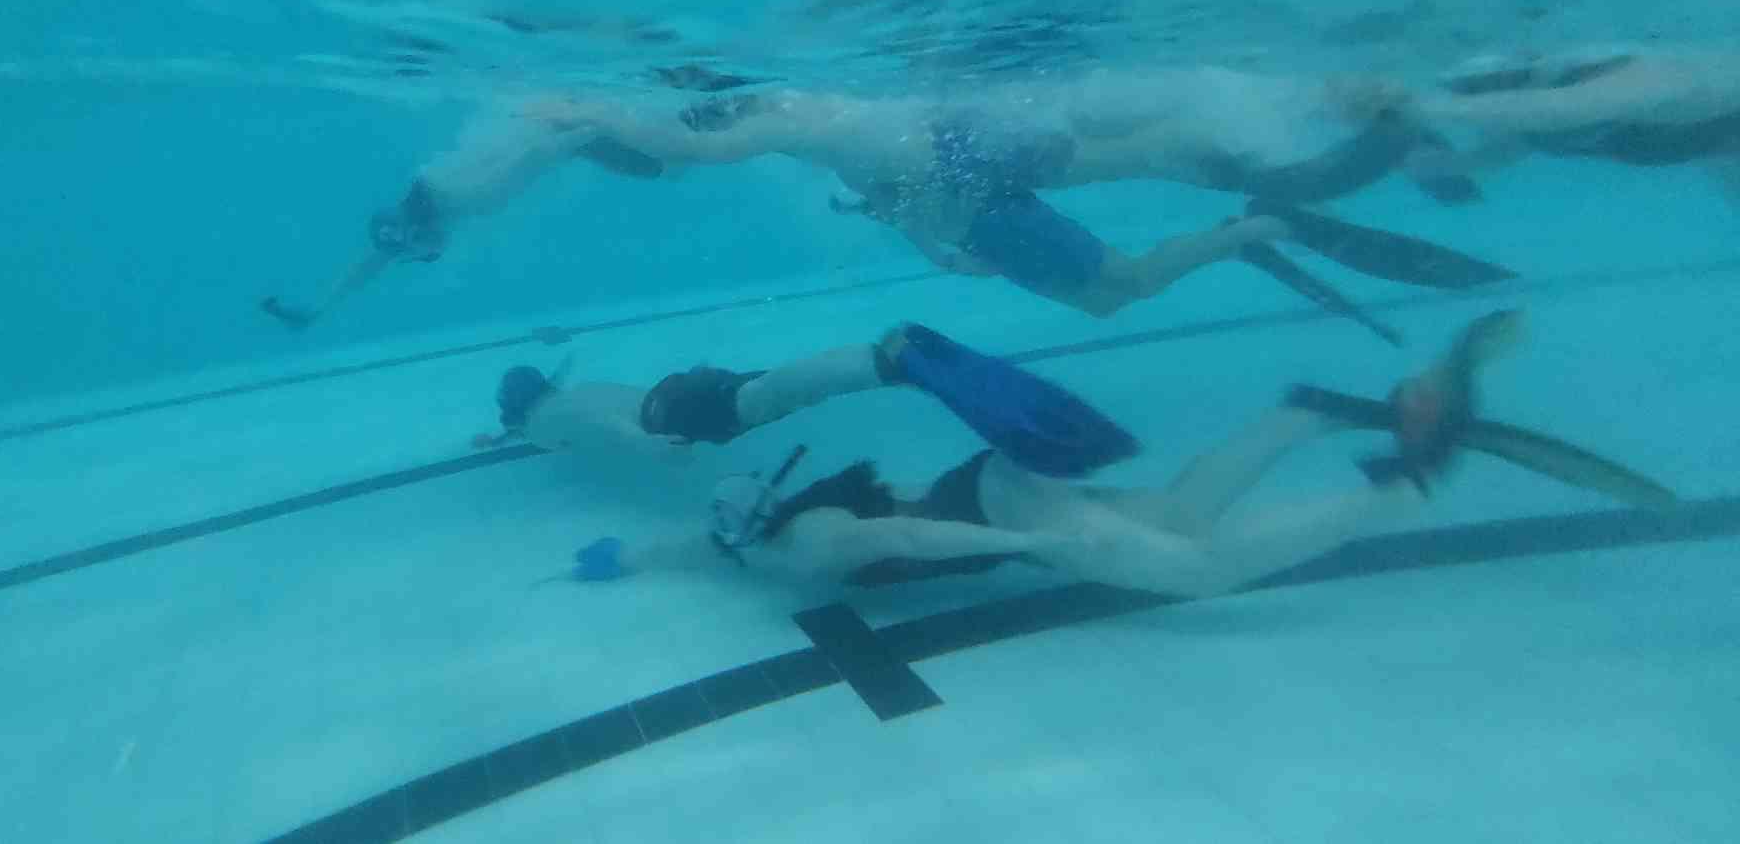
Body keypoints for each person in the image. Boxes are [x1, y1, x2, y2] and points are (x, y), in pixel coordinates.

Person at [559, 310, 1675, 596]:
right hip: (1003, 488)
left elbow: (901, 534)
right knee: (1184, 515)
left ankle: (1395, 487)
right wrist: (625, 559)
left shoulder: (803, 552)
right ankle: (1302, 413)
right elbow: (688, 545)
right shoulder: (762, 536)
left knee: (1193, 572)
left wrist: (1040, 555)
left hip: (1008, 518)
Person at [524, 84, 1512, 322]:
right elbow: (896, 183)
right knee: (1169, 144)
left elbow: (681, 145)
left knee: (1110, 293)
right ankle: (1362, 138)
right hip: (982, 171)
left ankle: (1260, 224)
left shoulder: (781, 117)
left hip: (983, 187)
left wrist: (579, 112)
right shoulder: (827, 109)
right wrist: (925, 249)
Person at [483, 322, 1137, 476]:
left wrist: (647, 444)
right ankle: (884, 363)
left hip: (668, 412)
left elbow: (595, 423)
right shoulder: (565, 390)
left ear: (520, 409)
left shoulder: (547, 418)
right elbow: (586, 402)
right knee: (766, 389)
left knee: (766, 399)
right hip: (680, 385)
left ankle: (890, 357)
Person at [259, 113, 666, 330]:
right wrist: (318, 309)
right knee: (658, 162)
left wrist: (596, 126)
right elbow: (365, 268)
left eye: (423, 255)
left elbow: (532, 157)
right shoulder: (425, 201)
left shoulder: (466, 200)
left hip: (563, 129)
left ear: (420, 235)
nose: (428, 256)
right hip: (546, 126)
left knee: (659, 167)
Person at [1400, 47, 1740, 191]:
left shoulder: (1648, 74)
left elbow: (1564, 109)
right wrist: (1464, 163)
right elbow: (1532, 131)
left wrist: (1420, 108)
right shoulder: (1541, 101)